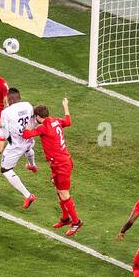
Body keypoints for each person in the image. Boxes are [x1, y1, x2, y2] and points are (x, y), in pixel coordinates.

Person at [21, 97, 81, 235]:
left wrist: (27, 124)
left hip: (61, 165)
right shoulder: (56, 121)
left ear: (37, 117)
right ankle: (65, 218)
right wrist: (65, 106)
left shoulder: (43, 127)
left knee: (64, 194)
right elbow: (68, 121)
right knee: (59, 191)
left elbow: (26, 135)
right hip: (60, 162)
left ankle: (76, 222)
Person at [0, 87, 39, 210]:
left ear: (8, 99)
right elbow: (33, 121)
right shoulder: (28, 105)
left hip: (16, 145)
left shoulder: (6, 112)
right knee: (28, 148)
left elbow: (6, 134)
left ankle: (28, 195)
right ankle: (32, 164)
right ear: (19, 97)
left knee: (5, 169)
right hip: (28, 139)